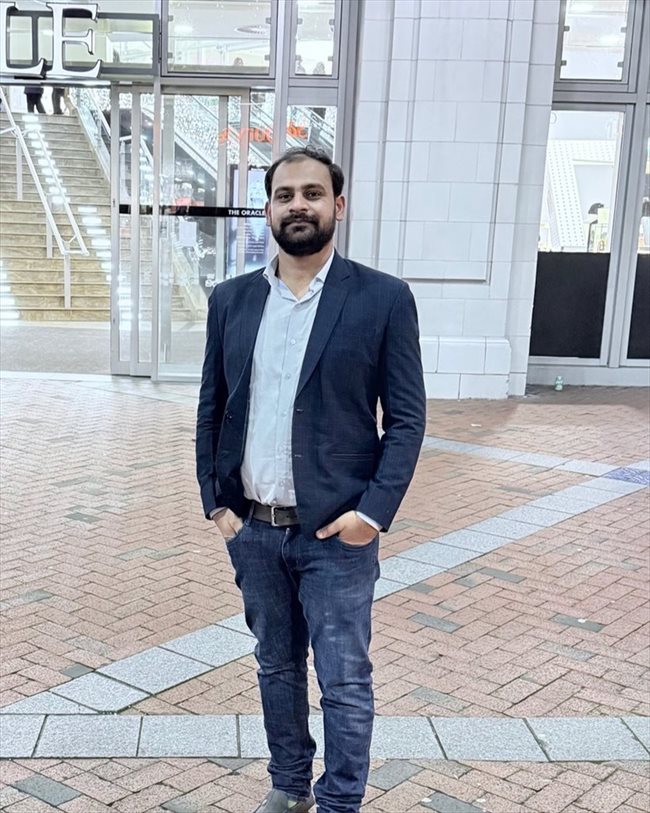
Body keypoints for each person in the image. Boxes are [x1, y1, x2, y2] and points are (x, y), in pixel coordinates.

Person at [196, 146, 426, 813]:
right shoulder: (232, 299)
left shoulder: (383, 298)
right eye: (285, 194)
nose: (298, 204)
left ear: (338, 206)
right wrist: (216, 502)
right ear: (269, 209)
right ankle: (290, 784)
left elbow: (407, 419)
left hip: (336, 533)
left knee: (344, 677)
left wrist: (371, 514)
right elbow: (213, 404)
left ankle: (340, 801)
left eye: (313, 193)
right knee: (275, 665)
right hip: (255, 529)